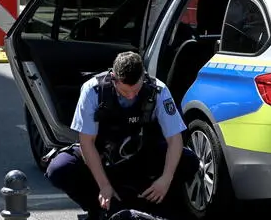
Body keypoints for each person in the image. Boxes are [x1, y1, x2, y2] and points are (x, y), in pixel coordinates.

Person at [44, 51, 199, 220]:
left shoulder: (158, 90)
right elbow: (86, 142)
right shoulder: (93, 91)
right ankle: (98, 209)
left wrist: (165, 179)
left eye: (136, 90)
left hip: (141, 155)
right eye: (125, 92)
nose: (131, 96)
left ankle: (156, 203)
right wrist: (103, 185)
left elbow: (175, 138)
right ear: (113, 77)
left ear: (143, 77)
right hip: (103, 156)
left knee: (188, 160)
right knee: (59, 169)